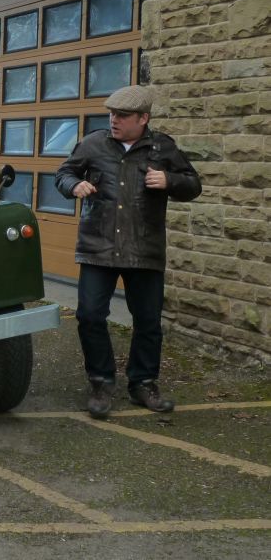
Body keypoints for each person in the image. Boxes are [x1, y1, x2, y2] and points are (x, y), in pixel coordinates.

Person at [55, 85, 201, 419]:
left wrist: (169, 181)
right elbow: (64, 172)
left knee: (148, 322)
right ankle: (101, 381)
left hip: (144, 249)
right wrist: (73, 185)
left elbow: (193, 183)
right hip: (98, 246)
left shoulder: (162, 147)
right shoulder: (93, 143)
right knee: (90, 316)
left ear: (143, 118)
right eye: (111, 114)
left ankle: (143, 383)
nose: (114, 120)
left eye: (122, 115)